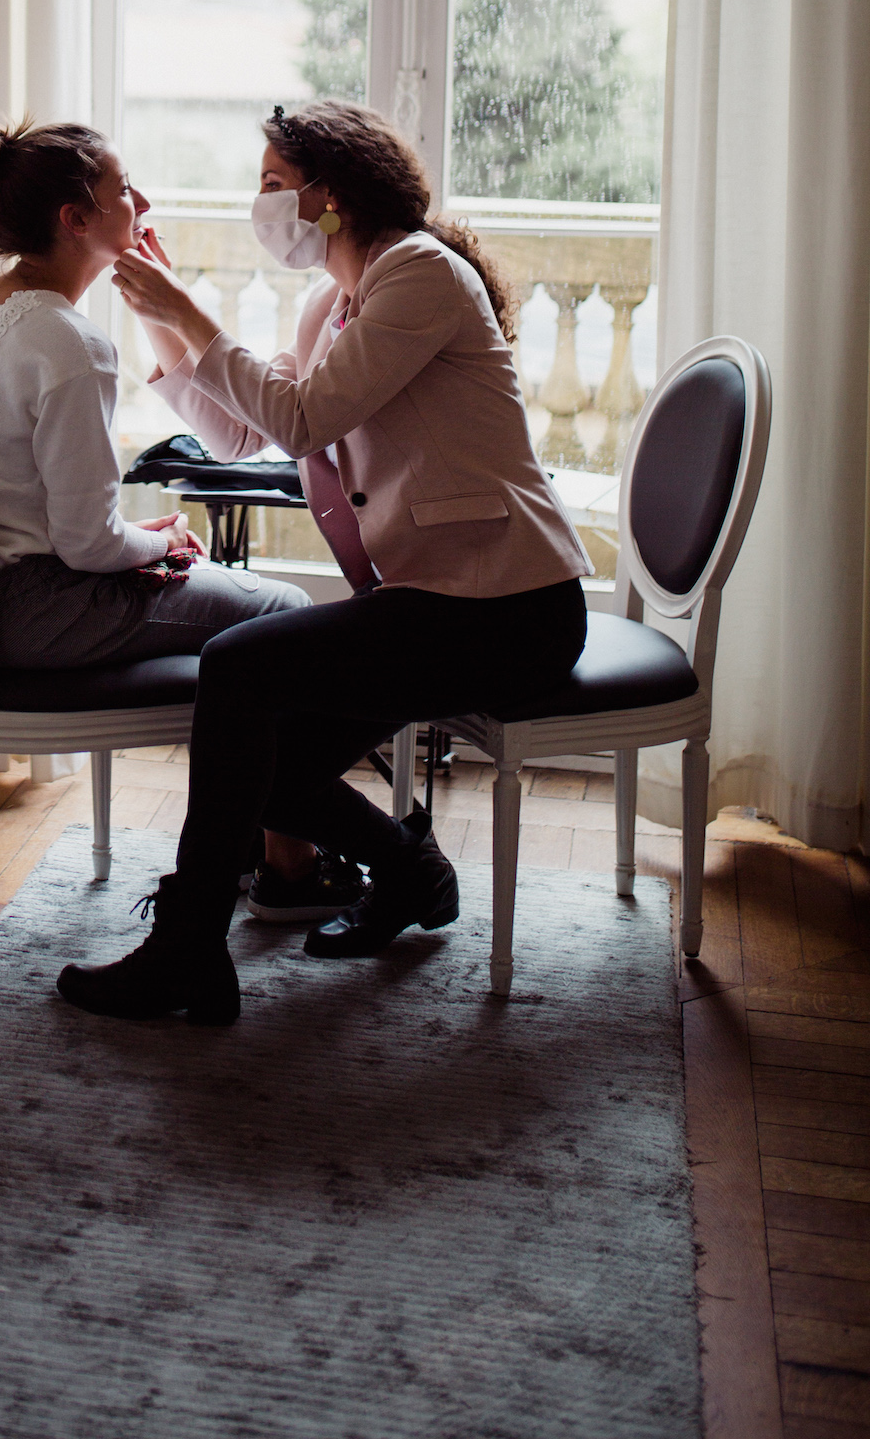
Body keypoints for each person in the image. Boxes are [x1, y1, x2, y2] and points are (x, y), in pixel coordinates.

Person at [56, 100, 591, 1026]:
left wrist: (191, 314)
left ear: (329, 196)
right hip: (429, 603)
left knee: (235, 668)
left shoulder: (420, 274)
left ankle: (188, 946)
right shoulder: (330, 302)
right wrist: (164, 320)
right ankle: (411, 868)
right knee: (267, 765)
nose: (260, 203)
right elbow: (238, 427)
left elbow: (304, 419)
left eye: (273, 184)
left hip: (509, 608)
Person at [0, 122, 356, 920]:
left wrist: (141, 541)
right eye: (125, 190)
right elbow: (88, 544)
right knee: (286, 616)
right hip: (46, 607)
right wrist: (155, 540)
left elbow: (42, 506)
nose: (145, 202)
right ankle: (288, 870)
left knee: (248, 624)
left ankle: (253, 856)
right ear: (75, 220)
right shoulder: (68, 342)